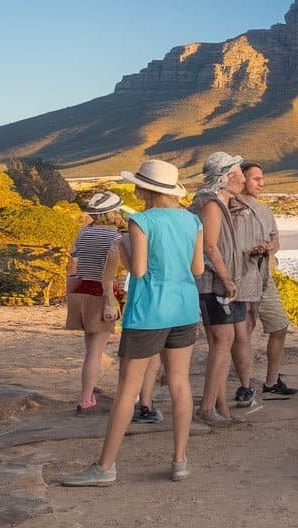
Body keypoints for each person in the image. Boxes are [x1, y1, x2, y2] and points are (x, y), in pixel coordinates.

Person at [60, 159, 204, 486]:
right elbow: (197, 269)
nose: (136, 190)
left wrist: (122, 250)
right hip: (184, 309)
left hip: (149, 311)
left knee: (128, 389)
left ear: (147, 189)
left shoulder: (141, 221)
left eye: (139, 185)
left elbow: (137, 271)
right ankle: (180, 461)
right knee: (180, 383)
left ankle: (105, 467)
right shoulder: (192, 220)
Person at [190, 152, 254, 426]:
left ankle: (222, 408)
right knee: (222, 341)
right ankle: (207, 409)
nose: (243, 177)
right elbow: (210, 246)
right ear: (227, 175)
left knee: (224, 342)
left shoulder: (219, 201)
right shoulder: (212, 204)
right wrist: (227, 279)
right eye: (238, 172)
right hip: (213, 282)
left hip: (218, 281)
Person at [239, 162, 296, 397]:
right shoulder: (230, 207)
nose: (261, 183)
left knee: (280, 324)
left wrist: (271, 247)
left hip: (264, 275)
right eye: (256, 179)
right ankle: (244, 385)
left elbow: (276, 240)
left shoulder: (264, 211)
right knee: (244, 329)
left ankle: (271, 382)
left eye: (262, 178)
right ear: (241, 179)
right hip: (242, 275)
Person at [65, 192, 125, 416]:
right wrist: (111, 301)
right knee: (95, 352)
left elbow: (75, 263)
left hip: (79, 290)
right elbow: (109, 273)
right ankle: (85, 400)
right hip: (100, 293)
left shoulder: (82, 233)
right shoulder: (115, 239)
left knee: (91, 349)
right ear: (110, 213)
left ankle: (88, 393)